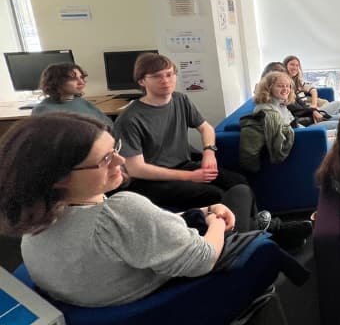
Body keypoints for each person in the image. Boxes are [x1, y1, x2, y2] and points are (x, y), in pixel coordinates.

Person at [0, 113, 304, 317]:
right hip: (177, 296)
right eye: (105, 159)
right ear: (59, 177)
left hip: (104, 293)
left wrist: (200, 211)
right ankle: (270, 229)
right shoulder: (119, 212)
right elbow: (203, 258)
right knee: (237, 195)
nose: (121, 160)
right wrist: (215, 222)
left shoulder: (34, 221)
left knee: (221, 200)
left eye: (115, 148)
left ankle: (270, 225)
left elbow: (138, 230)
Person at [112, 53, 250, 209]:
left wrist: (209, 153)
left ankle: (257, 226)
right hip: (150, 180)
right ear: (142, 81)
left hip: (183, 165)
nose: (165, 80)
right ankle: (231, 231)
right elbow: (136, 169)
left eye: (169, 74)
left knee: (238, 182)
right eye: (157, 76)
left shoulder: (180, 100)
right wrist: (190, 176)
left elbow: (206, 128)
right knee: (214, 194)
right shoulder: (129, 118)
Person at [31, 62, 113, 126]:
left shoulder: (81, 102)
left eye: (81, 77)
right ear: (57, 82)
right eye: (73, 79)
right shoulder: (44, 110)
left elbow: (108, 124)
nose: (81, 82)